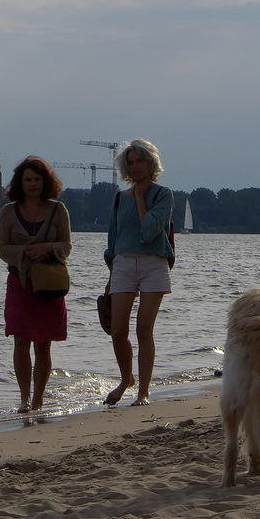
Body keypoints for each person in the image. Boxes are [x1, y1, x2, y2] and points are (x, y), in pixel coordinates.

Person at [0, 156, 72, 414]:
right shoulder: (7, 212)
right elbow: (2, 249)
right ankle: (24, 398)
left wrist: (47, 248)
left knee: (43, 343)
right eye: (27, 179)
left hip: (48, 286)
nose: (32, 184)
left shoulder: (58, 210)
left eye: (37, 179)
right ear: (20, 182)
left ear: (45, 182)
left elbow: (66, 246)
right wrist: (25, 252)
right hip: (19, 283)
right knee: (20, 341)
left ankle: (39, 398)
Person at [103, 138, 175, 407]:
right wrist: (111, 276)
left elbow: (148, 232)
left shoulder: (163, 195)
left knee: (144, 328)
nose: (134, 167)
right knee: (118, 330)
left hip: (153, 263)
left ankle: (143, 392)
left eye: (139, 161)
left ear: (150, 162)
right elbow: (113, 241)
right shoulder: (119, 199)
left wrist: (142, 198)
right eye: (130, 162)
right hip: (122, 264)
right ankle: (126, 378)